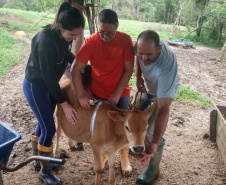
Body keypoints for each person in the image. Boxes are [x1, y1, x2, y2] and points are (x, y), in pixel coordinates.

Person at [22, 2, 85, 185]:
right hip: (36, 86)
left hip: (48, 85)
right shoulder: (44, 40)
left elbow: (66, 55)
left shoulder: (64, 38)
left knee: (44, 123)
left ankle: (40, 161)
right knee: (50, 128)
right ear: (60, 26)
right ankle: (45, 171)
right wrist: (64, 104)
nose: (73, 38)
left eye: (77, 35)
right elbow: (49, 77)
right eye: (71, 34)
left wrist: (80, 65)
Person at [71, 9, 134, 172]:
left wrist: (117, 93)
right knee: (103, 129)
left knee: (123, 127)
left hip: (121, 93)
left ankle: (124, 157)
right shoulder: (91, 41)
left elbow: (128, 70)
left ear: (117, 28)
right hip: (98, 94)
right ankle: (105, 156)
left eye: (110, 33)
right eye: (101, 32)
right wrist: (81, 94)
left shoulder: (125, 40)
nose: (105, 37)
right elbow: (75, 69)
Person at [134, 30, 180, 185]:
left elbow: (163, 109)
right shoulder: (141, 49)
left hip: (164, 91)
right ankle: (140, 144)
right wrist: (138, 76)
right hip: (149, 87)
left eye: (149, 55)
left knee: (153, 131)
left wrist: (154, 141)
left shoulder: (167, 65)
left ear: (159, 49)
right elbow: (138, 58)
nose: (144, 58)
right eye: (141, 53)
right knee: (136, 118)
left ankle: (153, 169)